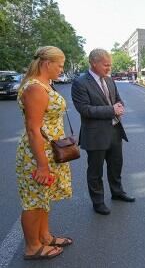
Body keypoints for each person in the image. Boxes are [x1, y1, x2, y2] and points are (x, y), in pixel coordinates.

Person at [16, 46, 73, 260]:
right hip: (37, 154)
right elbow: (33, 129)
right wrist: (41, 164)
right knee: (33, 200)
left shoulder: (44, 85)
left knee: (43, 197)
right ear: (46, 63)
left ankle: (45, 237)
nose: (61, 68)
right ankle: (32, 247)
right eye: (59, 64)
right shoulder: (35, 88)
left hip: (50, 150)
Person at [71, 48, 135, 216]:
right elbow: (85, 110)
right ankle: (98, 202)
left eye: (110, 65)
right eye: (106, 65)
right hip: (95, 134)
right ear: (94, 63)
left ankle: (117, 192)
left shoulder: (109, 80)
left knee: (116, 166)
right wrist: (112, 110)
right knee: (95, 171)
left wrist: (120, 106)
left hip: (114, 131)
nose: (109, 68)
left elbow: (117, 99)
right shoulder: (80, 83)